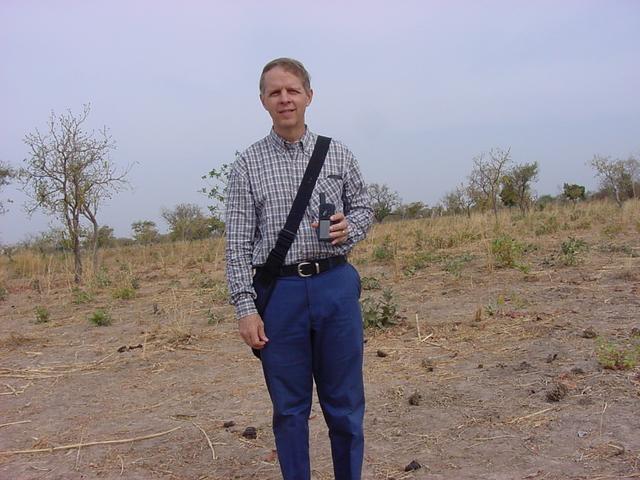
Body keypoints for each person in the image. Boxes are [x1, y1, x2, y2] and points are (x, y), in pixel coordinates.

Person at [225, 57, 374, 480]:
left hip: (335, 285)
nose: (285, 99)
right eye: (275, 92)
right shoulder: (247, 165)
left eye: (292, 90)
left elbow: (364, 208)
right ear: (263, 102)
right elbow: (236, 243)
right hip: (281, 295)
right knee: (289, 409)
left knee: (345, 404)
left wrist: (351, 227)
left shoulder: (338, 153)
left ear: (309, 95)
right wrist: (245, 308)